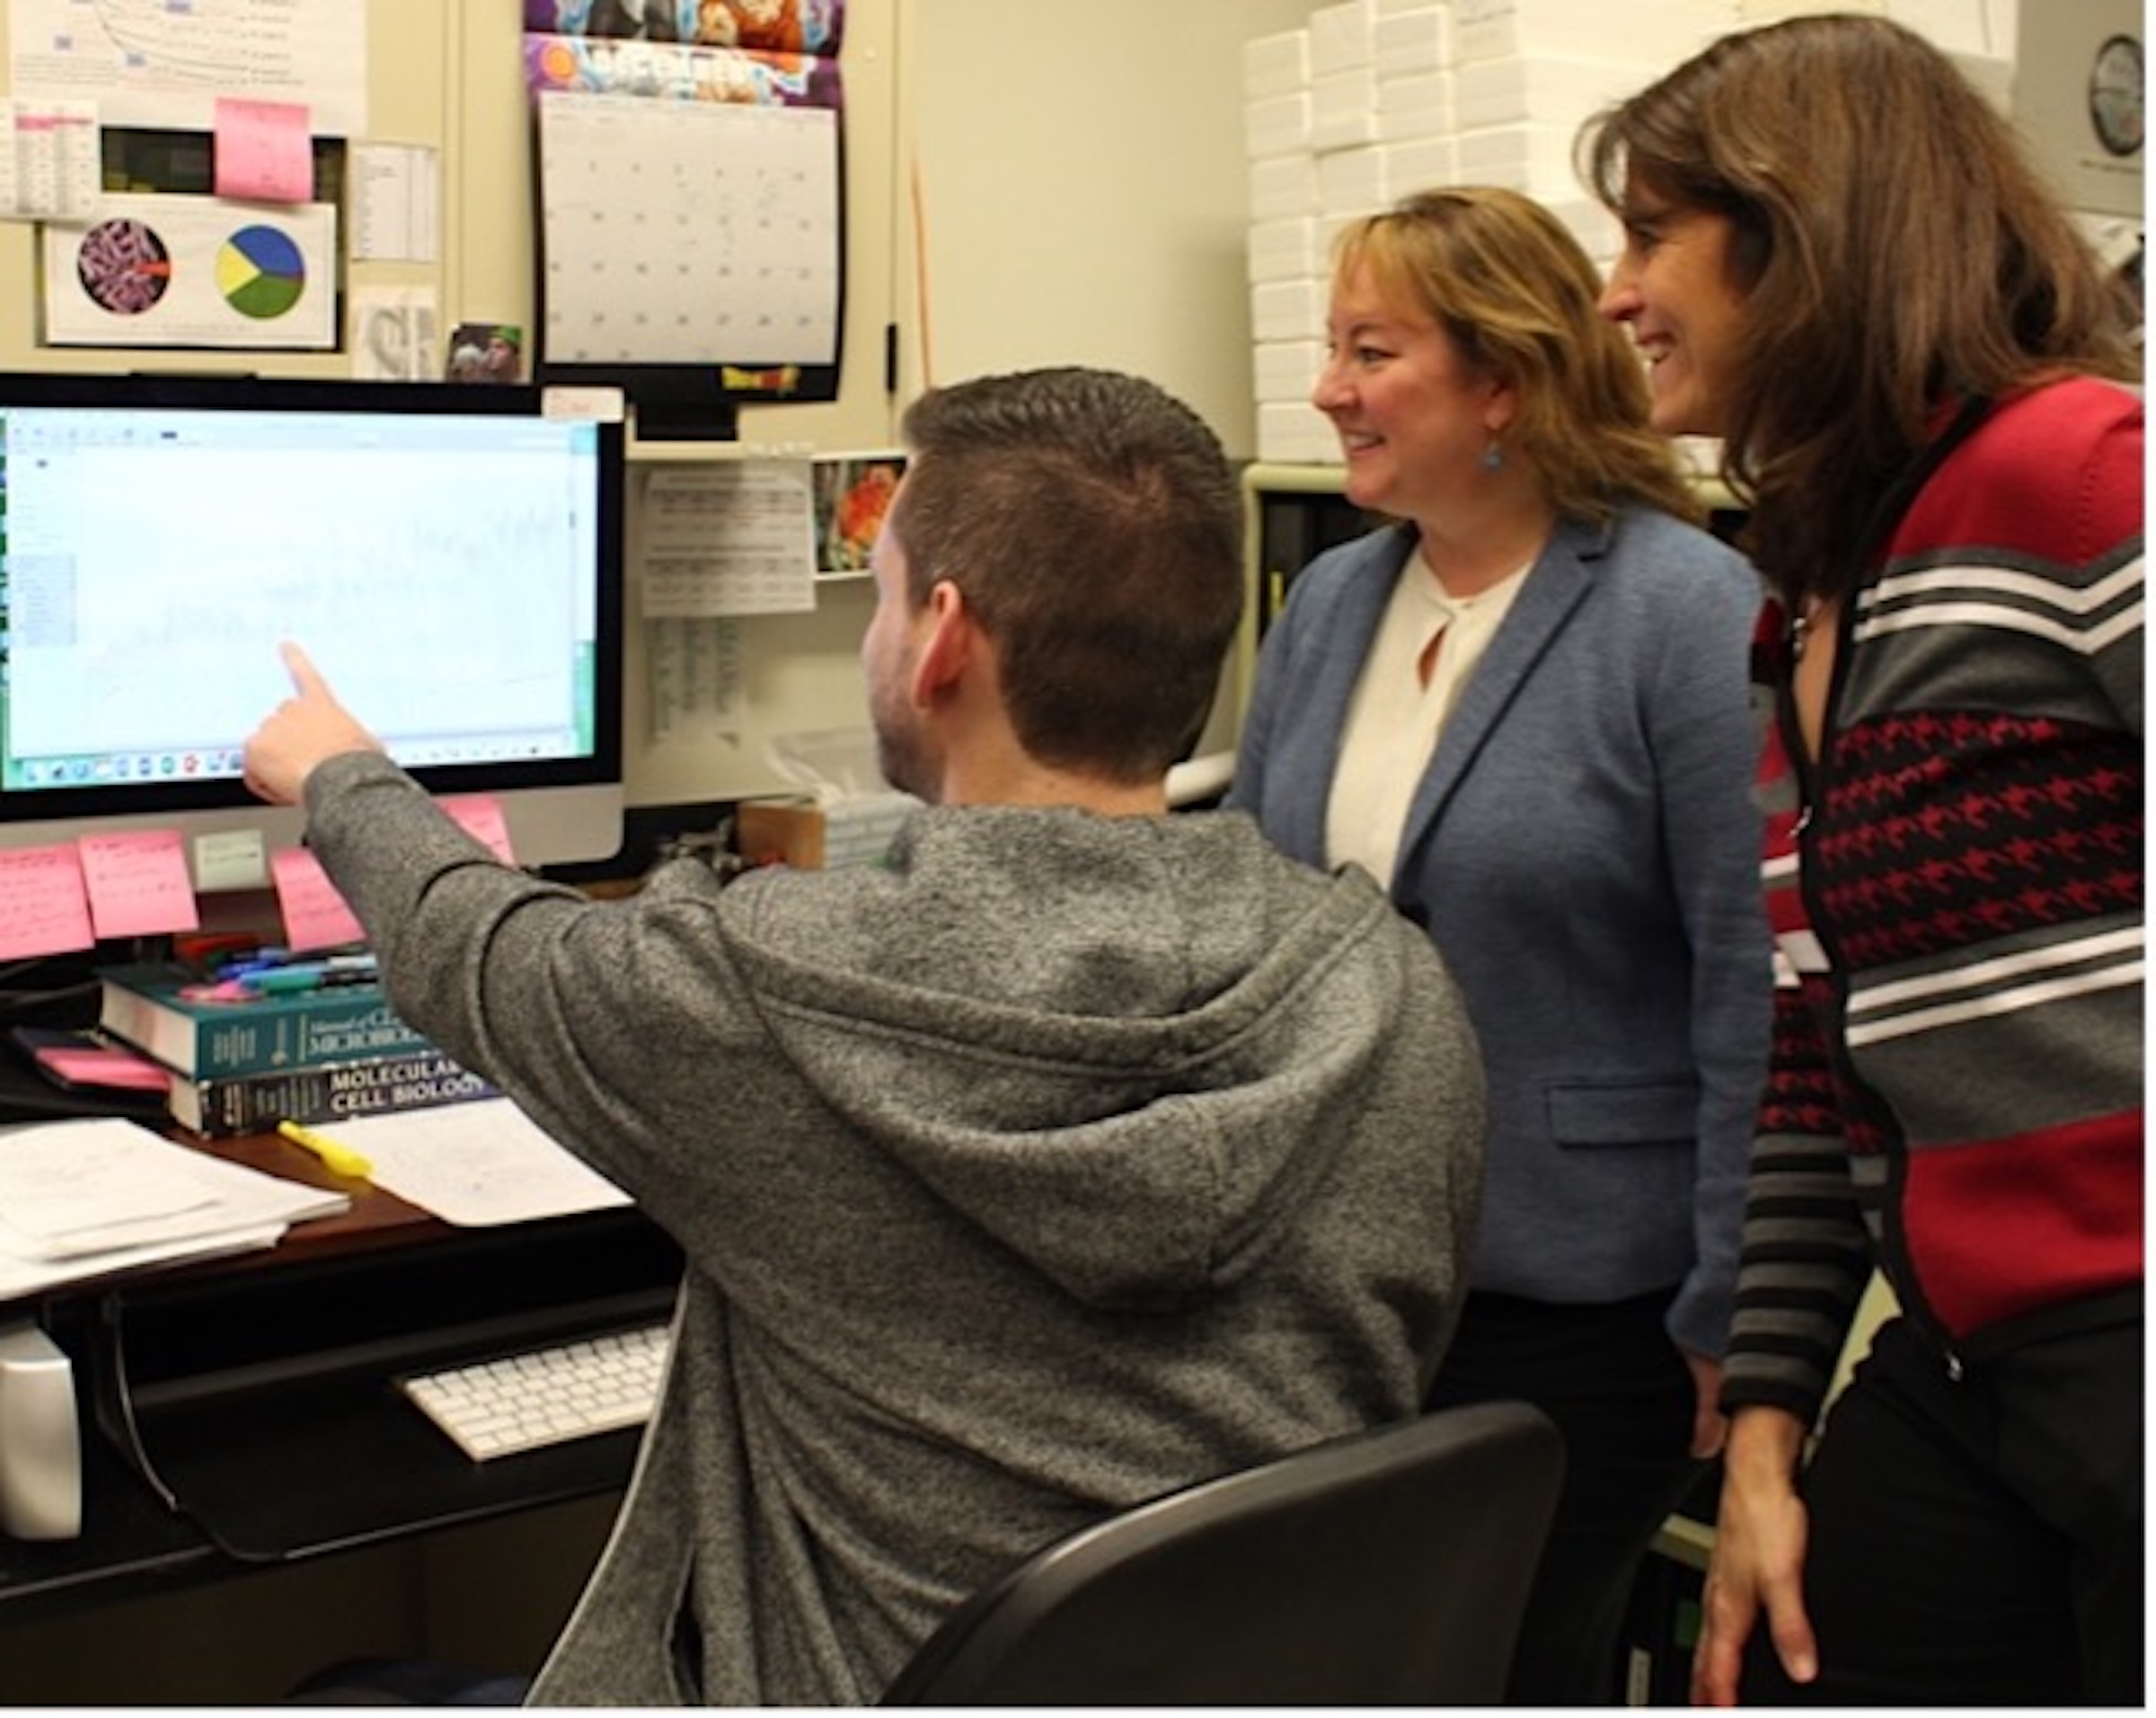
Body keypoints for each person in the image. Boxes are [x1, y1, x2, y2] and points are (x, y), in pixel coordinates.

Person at [243, 366, 1488, 1705]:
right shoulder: (1394, 996)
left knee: (343, 1694)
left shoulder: (767, 1000)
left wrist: (339, 775)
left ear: (943, 639)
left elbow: (476, 947)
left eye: (883, 595)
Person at [1582, 13, 2143, 1706]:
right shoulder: (1813, 598)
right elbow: (1821, 1052)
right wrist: (1763, 1434)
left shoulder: (2081, 473)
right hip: (1970, 1359)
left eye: (1650, 236)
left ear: (1802, 234)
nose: (1614, 294)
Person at [1226, 186, 1772, 1705]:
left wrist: (1737, 1314)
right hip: (1340, 1288)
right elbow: (1257, 917)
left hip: (1584, 1303)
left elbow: (1755, 988)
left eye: (1371, 352)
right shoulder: (1333, 600)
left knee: (1504, 1670)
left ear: (1505, 384)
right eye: (1331, 350)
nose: (1329, 390)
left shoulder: (1685, 610)